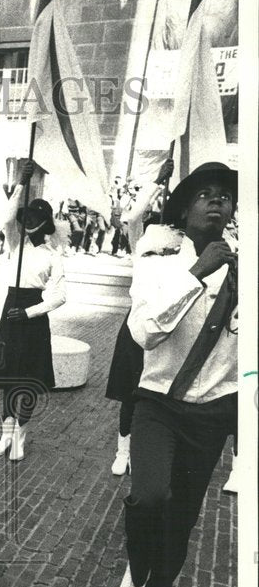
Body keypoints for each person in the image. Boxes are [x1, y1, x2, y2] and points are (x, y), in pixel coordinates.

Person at [117, 162, 238, 587]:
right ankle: (137, 568)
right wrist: (196, 274)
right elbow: (144, 332)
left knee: (183, 513)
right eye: (204, 193)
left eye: (224, 195)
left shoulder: (245, 264)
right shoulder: (156, 259)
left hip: (211, 411)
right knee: (149, 496)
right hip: (158, 404)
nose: (215, 200)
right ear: (185, 207)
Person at [0, 160, 66, 462]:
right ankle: (5, 435)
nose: (28, 221)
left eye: (35, 217)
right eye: (26, 216)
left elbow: (59, 297)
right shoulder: (16, 244)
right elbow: (7, 218)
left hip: (32, 317)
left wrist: (31, 313)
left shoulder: (53, 255)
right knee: (8, 378)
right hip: (10, 310)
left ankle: (20, 435)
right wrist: (20, 182)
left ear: (45, 223)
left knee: (27, 380)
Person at [106, 158, 174, 476]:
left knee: (158, 396)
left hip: (168, 333)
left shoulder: (184, 255)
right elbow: (132, 217)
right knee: (129, 393)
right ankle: (123, 451)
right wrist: (158, 183)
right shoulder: (141, 247)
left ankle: (149, 451)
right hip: (136, 329)